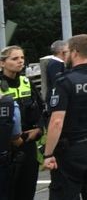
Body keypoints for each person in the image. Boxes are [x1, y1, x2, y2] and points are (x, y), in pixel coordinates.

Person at [43, 34, 87, 200]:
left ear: (74, 52)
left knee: (64, 193)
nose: (65, 56)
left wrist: (48, 154)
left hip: (71, 150)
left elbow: (57, 121)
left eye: (66, 52)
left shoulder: (65, 81)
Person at [2, 44, 46, 200]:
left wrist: (39, 130)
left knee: (27, 190)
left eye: (22, 58)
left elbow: (42, 110)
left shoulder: (27, 82)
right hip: (5, 147)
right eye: (14, 58)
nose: (20, 61)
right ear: (2, 63)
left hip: (27, 144)